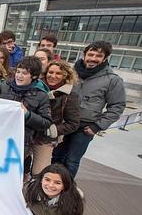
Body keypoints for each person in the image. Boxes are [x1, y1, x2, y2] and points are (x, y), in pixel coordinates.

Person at [52, 41, 126, 178]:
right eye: (90, 54)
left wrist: (97, 126)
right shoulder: (70, 73)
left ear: (105, 58)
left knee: (71, 161)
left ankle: (67, 191)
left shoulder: (112, 80)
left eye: (98, 55)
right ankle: (51, 184)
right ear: (84, 55)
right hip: (64, 123)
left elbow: (117, 106)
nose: (93, 58)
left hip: (85, 127)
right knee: (55, 156)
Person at [0, 56, 52, 178]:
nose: (19, 76)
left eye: (24, 73)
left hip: (20, 144)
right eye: (18, 72)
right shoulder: (3, 87)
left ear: (34, 76)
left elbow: (45, 123)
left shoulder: (41, 95)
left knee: (12, 176)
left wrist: (27, 114)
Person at [31, 60, 80, 176]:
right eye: (50, 72)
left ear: (65, 75)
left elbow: (73, 123)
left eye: (58, 73)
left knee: (39, 171)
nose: (53, 76)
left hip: (45, 138)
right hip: (28, 133)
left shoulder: (70, 95)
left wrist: (54, 130)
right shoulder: (35, 87)